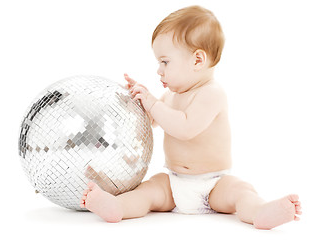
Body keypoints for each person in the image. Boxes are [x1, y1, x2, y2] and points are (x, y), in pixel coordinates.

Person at [80, 5, 301, 229]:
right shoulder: (169, 96)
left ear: (197, 61)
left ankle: (260, 212)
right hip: (174, 182)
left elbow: (185, 128)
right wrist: (140, 101)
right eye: (158, 62)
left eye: (164, 61)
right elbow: (155, 121)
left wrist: (153, 103)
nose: (159, 70)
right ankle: (117, 207)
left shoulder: (211, 94)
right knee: (148, 191)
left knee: (240, 192)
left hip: (214, 184)